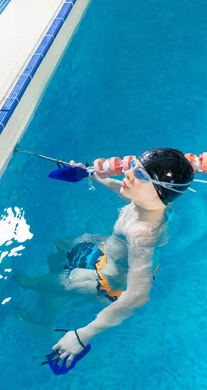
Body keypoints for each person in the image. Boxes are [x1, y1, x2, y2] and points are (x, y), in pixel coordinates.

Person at [14, 148, 195, 367]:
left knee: (48, 284)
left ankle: (46, 326)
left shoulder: (142, 233)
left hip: (106, 283)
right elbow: (121, 188)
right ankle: (53, 299)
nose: (128, 174)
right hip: (107, 253)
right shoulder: (153, 201)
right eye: (133, 167)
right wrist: (90, 173)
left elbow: (139, 295)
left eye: (139, 175)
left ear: (159, 191)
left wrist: (84, 334)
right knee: (63, 246)